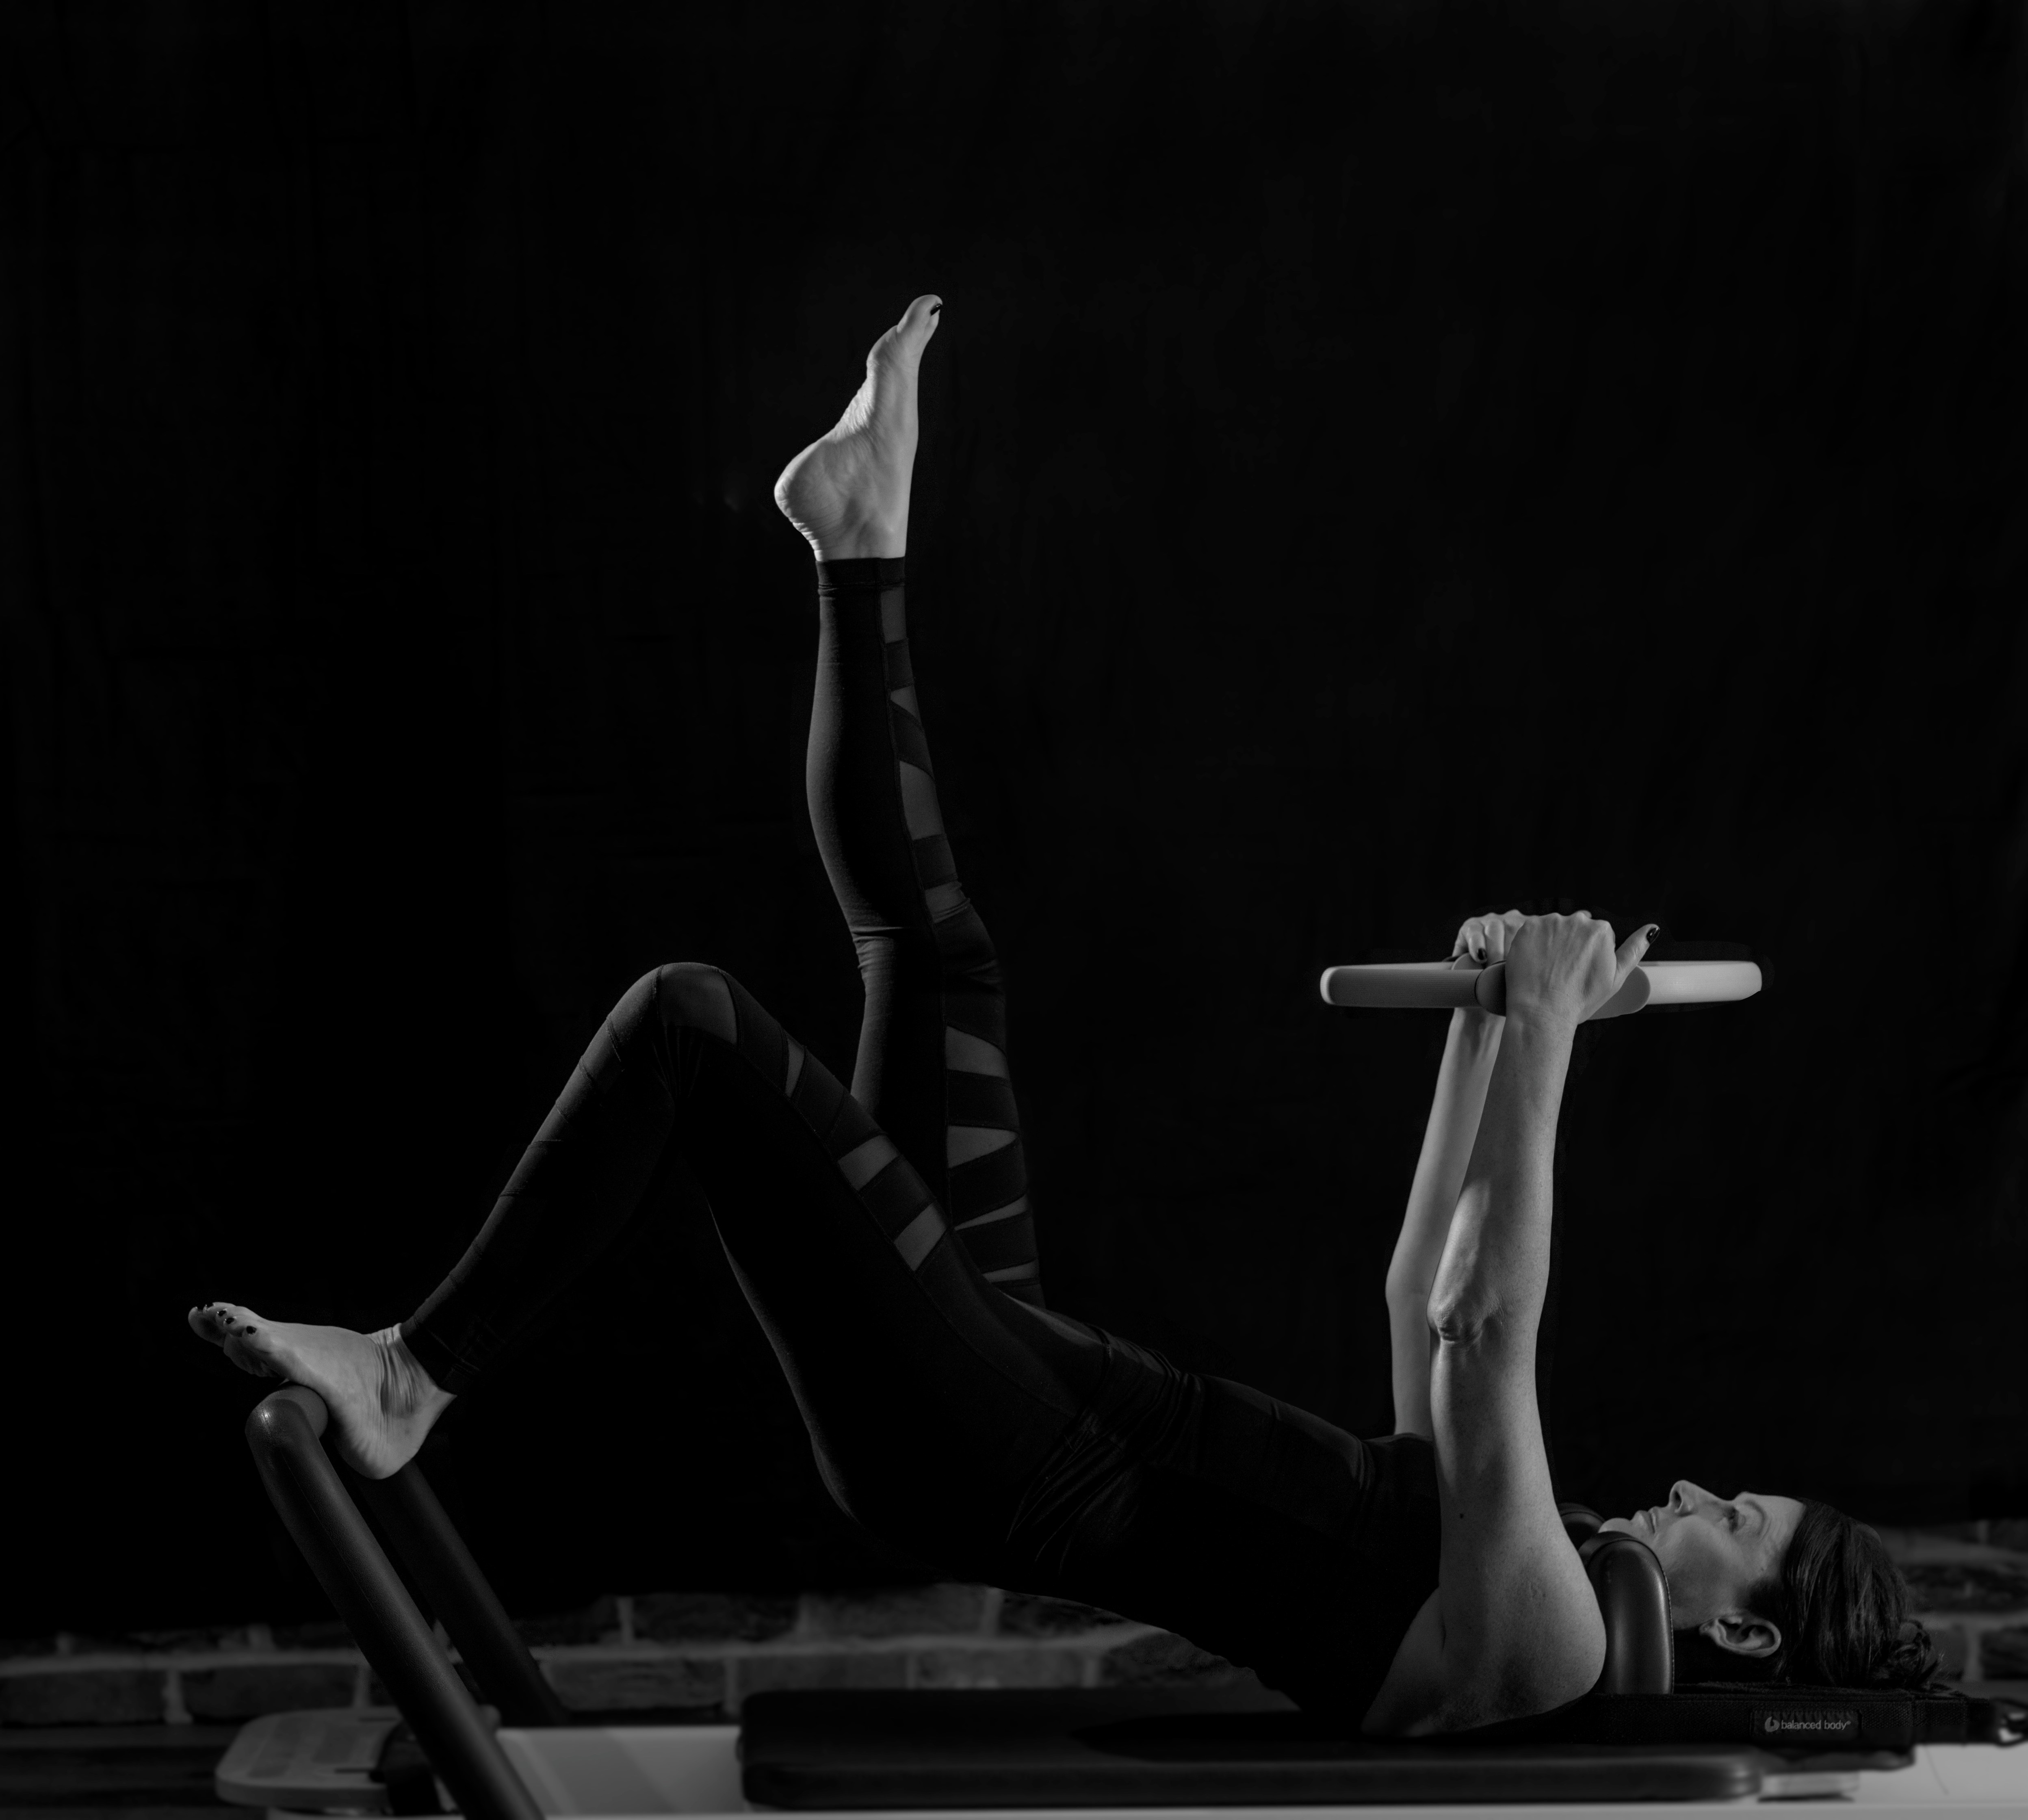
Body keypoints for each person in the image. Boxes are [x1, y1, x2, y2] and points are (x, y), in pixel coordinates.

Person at [190, 296, 1943, 1736]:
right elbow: (1421, 1293)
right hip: (1017, 1363)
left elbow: (1493, 1332)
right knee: (937, 956)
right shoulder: (1532, 1560)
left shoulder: (1550, 1649)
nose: (1698, 1495)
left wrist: (1555, 1034)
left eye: (1737, 1524)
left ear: (1748, 1638)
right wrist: (1494, 1009)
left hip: (987, 1445)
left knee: (693, 1020)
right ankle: (858, 536)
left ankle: (416, 1372)